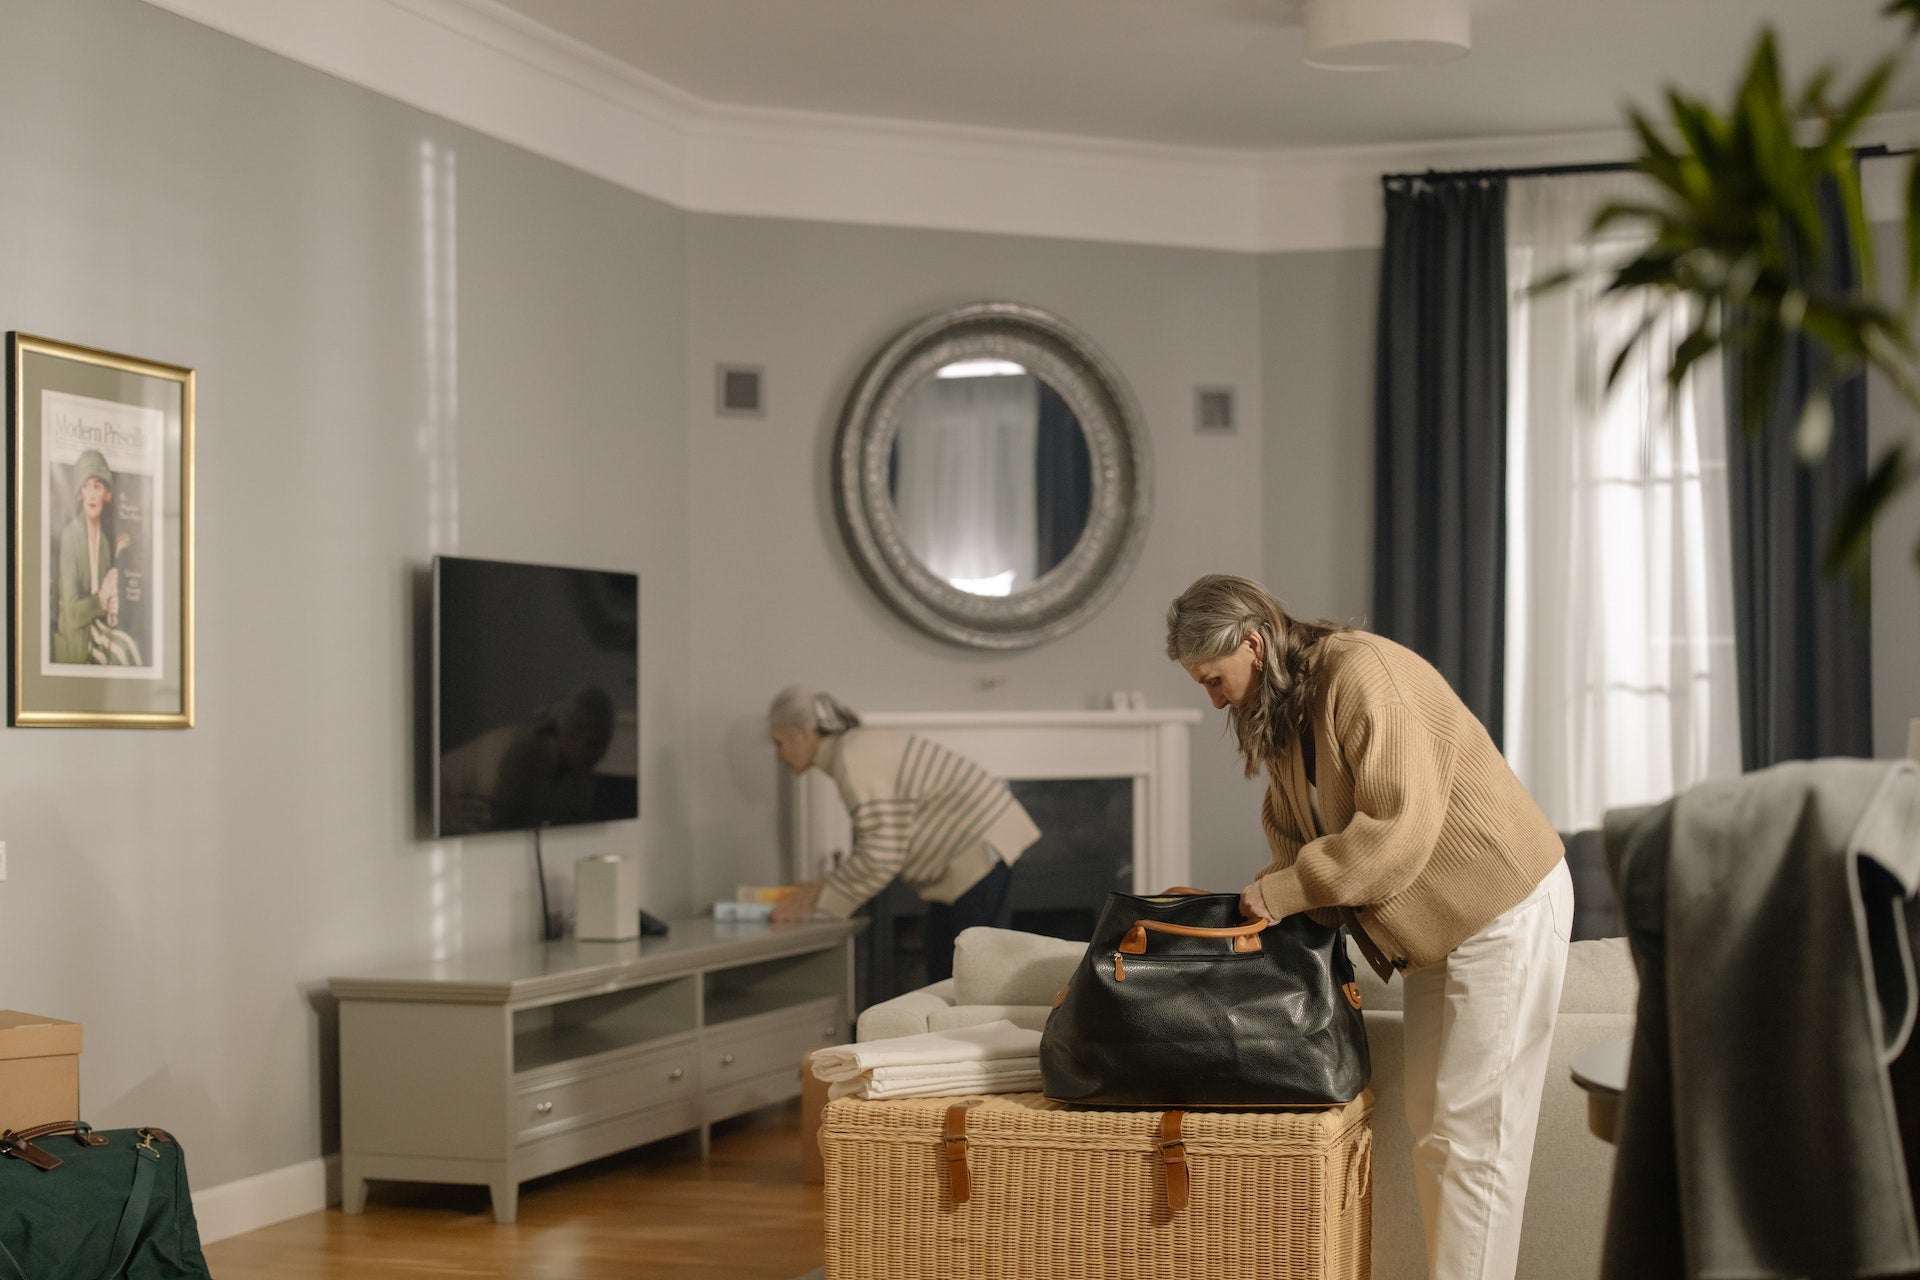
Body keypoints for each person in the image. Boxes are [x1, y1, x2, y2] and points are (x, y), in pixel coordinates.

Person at [1165, 573, 1572, 1280]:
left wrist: (1285, 890)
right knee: (1436, 1131)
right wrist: (1248, 901)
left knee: (1478, 1138)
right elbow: (1296, 850)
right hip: (1435, 927)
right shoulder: (1285, 717)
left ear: (1253, 643)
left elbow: (1396, 831)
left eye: (1213, 676)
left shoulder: (1360, 673)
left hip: (1502, 904)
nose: (1211, 698)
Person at [765, 686, 1040, 983]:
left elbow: (881, 855)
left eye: (779, 743)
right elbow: (884, 846)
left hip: (979, 856)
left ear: (805, 734)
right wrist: (820, 888)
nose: (779, 757)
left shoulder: (853, 760)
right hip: (976, 857)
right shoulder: (856, 748)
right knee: (948, 974)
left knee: (968, 981)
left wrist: (821, 899)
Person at [438, 684, 617, 835]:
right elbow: (490, 826)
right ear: (568, 732)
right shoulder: (515, 752)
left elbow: (574, 823)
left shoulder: (578, 772)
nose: (600, 753)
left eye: (605, 743)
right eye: (593, 743)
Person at [53, 449, 139, 666]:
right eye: (86, 486)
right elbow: (71, 615)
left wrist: (111, 608)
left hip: (97, 631)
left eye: (97, 486)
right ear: (79, 492)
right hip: (77, 639)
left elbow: (104, 605)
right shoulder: (70, 536)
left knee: (129, 648)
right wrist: (101, 599)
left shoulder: (106, 543)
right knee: (124, 651)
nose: (91, 494)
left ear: (106, 494)